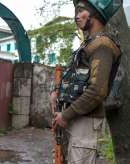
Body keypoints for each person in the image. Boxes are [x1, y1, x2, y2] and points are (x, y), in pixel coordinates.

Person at [50, 0, 121, 164]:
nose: (76, 16)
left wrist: (66, 115)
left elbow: (97, 91)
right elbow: (73, 75)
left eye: (81, 11)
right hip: (74, 118)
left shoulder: (102, 45)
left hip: (86, 121)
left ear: (95, 14)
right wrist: (56, 92)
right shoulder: (88, 44)